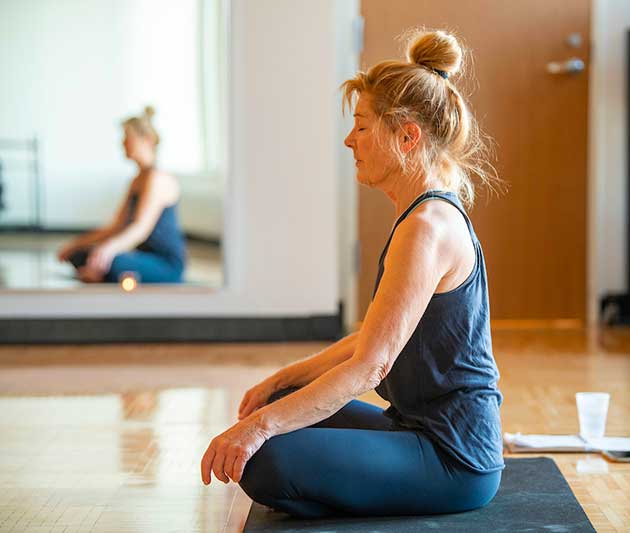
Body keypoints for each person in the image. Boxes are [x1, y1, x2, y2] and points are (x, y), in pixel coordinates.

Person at [201, 29, 504, 518]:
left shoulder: (427, 227)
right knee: (280, 400)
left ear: (407, 136)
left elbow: (372, 366)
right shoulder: (422, 216)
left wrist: (258, 429)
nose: (349, 139)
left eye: (361, 126)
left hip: (454, 458)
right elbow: (372, 341)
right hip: (411, 430)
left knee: (265, 459)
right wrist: (282, 381)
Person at [57, 106, 185, 283]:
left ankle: (106, 272)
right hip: (140, 256)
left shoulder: (159, 179)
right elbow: (117, 225)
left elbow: (140, 229)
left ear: (146, 140)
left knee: (111, 261)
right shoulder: (137, 180)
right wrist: (76, 244)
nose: (122, 144)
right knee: (82, 254)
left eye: (127, 138)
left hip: (165, 264)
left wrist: (107, 250)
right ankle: (104, 272)